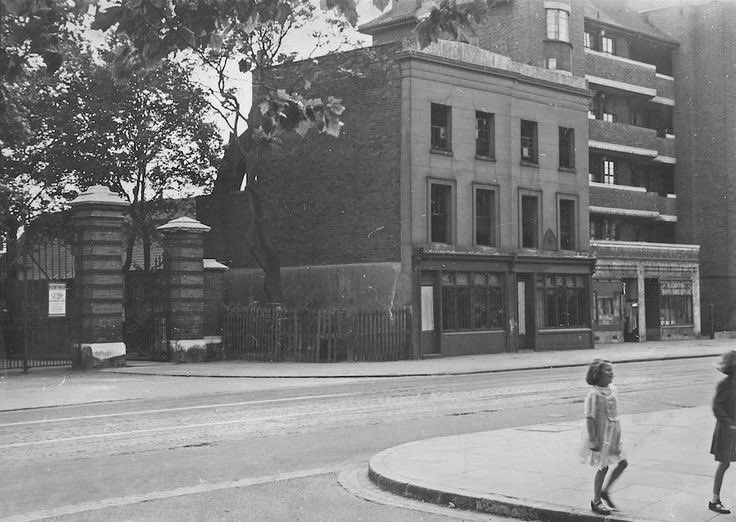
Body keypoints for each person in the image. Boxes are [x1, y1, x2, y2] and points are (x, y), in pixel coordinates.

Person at [579, 359, 628, 515]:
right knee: (603, 466)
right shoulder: (594, 394)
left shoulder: (612, 389)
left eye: (611, 370)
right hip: (601, 436)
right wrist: (593, 440)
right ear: (597, 375)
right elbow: (590, 418)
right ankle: (596, 501)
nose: (611, 373)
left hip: (613, 433)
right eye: (607, 370)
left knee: (623, 462)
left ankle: (605, 491)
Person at [709, 350, 736, 514]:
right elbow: (717, 407)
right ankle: (714, 500)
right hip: (727, 430)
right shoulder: (725, 384)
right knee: (724, 463)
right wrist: (730, 424)